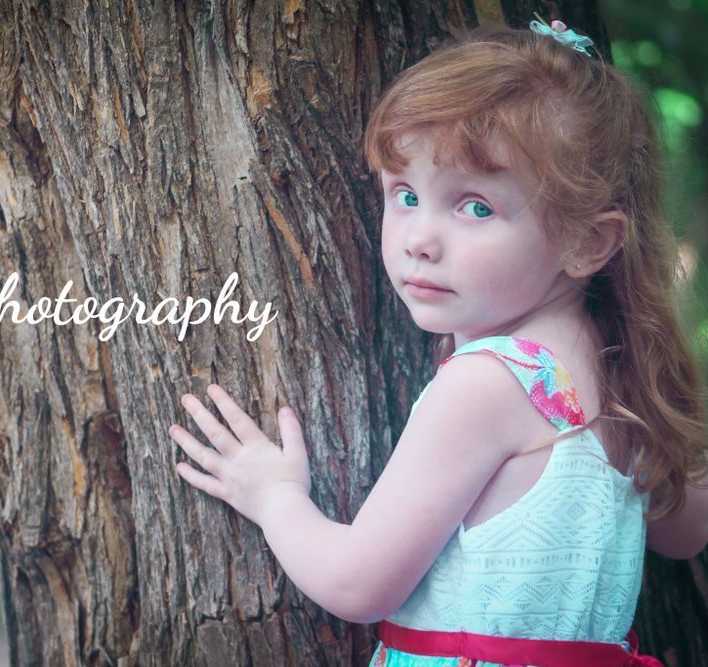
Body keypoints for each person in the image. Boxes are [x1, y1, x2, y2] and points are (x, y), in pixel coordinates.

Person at [168, 16, 708, 667]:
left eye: (475, 206)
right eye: (404, 193)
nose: (419, 236)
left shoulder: (486, 383)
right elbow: (686, 530)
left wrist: (273, 495)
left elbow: (358, 582)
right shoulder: (616, 363)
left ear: (586, 242)